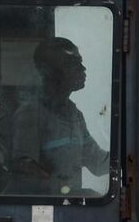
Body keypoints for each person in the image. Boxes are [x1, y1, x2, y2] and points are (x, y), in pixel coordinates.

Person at [8, 37, 107, 195]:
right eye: (73, 63)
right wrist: (72, 192)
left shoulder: (74, 115)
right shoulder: (30, 114)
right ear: (49, 71)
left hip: (66, 207)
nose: (83, 68)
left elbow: (97, 162)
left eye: (80, 62)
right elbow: (24, 171)